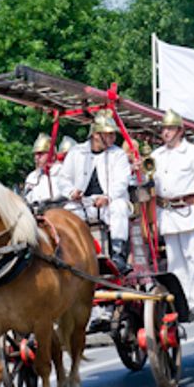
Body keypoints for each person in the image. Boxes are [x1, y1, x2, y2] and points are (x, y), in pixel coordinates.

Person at [150, 109, 194, 317]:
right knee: (175, 261)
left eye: (170, 128)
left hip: (188, 211)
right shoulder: (156, 155)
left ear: (180, 131)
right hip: (167, 212)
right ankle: (183, 301)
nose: (166, 132)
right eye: (164, 129)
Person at [60, 113, 132, 270]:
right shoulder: (76, 153)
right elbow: (63, 179)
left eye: (113, 134)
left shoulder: (118, 154)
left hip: (108, 202)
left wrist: (108, 197)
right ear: (95, 134)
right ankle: (69, 255)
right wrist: (72, 192)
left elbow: (122, 181)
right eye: (109, 134)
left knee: (119, 207)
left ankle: (118, 257)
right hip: (83, 203)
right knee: (66, 213)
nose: (113, 138)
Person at [22, 133, 62, 206]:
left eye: (41, 154)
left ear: (52, 155)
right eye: (35, 154)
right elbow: (27, 199)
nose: (37, 157)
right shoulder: (32, 177)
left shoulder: (62, 172)